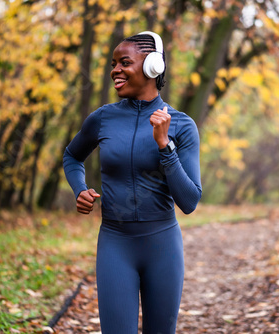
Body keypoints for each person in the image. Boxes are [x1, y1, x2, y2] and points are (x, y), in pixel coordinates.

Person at [63, 31, 202, 334]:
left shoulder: (181, 125)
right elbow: (72, 156)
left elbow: (189, 202)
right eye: (113, 63)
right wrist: (80, 189)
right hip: (115, 243)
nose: (115, 70)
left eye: (124, 62)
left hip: (162, 245)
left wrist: (165, 146)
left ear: (153, 66)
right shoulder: (102, 119)